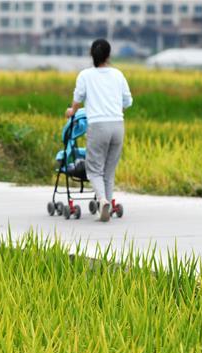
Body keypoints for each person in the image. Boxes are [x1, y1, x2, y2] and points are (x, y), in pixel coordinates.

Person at [65, 39, 133, 222]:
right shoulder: (118, 74)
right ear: (108, 55)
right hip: (118, 124)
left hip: (98, 125)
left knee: (94, 170)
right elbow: (128, 101)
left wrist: (72, 110)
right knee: (109, 170)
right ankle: (108, 206)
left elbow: (78, 98)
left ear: (91, 54)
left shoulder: (85, 75)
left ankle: (103, 200)